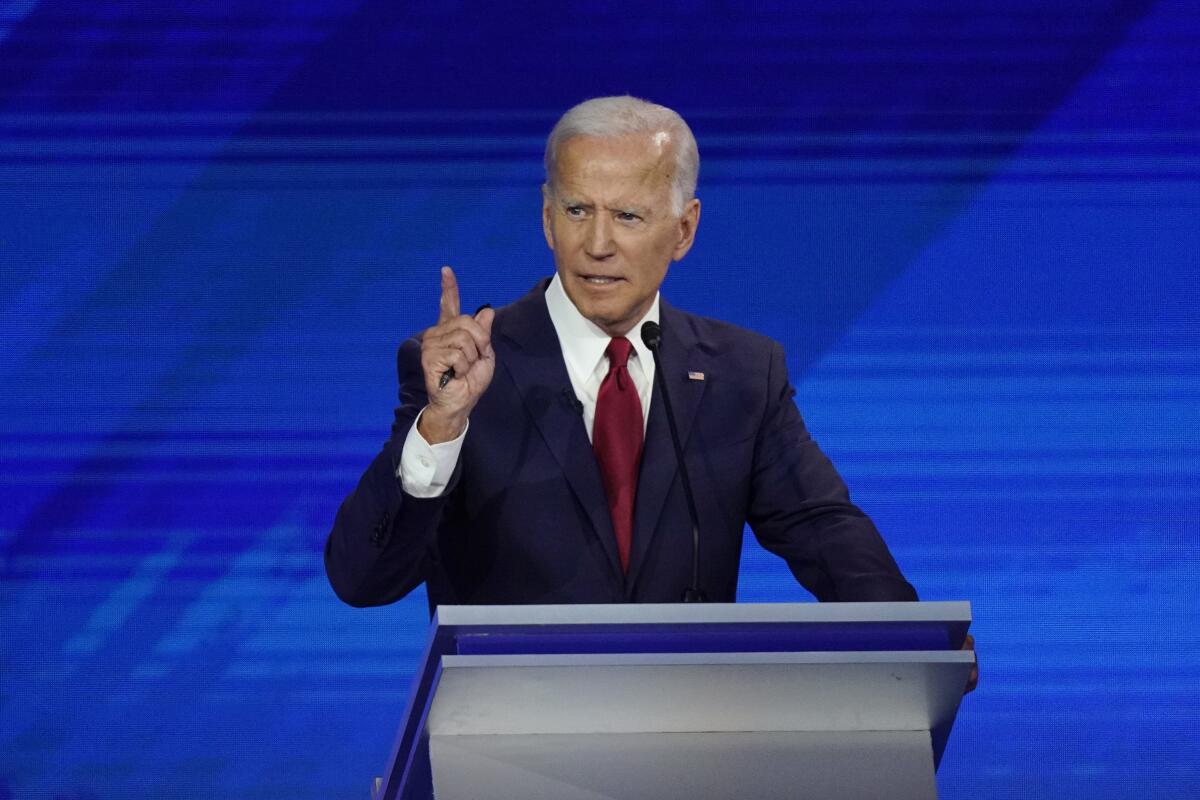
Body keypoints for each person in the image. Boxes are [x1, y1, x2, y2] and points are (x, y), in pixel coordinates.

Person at [326, 95, 921, 612]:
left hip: (679, 730)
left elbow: (821, 528)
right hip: (509, 734)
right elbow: (362, 581)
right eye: (578, 211)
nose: (598, 244)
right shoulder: (465, 373)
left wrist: (913, 633)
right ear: (547, 219)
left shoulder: (742, 373)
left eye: (628, 216)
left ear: (683, 229)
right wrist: (441, 427)